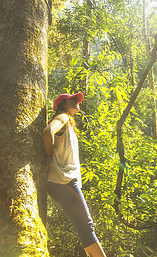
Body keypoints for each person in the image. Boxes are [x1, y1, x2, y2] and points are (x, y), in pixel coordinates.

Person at [43, 92, 106, 257]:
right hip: (64, 180)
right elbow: (48, 131)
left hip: (63, 181)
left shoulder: (68, 123)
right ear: (63, 104)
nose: (77, 102)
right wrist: (50, 157)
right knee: (86, 225)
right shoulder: (62, 117)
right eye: (73, 100)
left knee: (83, 226)